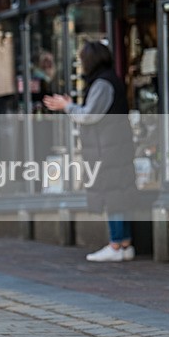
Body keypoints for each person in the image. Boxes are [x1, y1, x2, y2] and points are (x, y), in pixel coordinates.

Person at [43, 41, 137, 262]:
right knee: (120, 192)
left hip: (107, 148)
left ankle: (116, 245)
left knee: (112, 194)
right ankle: (125, 244)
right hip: (114, 145)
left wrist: (66, 107)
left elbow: (89, 115)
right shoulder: (109, 79)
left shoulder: (102, 83)